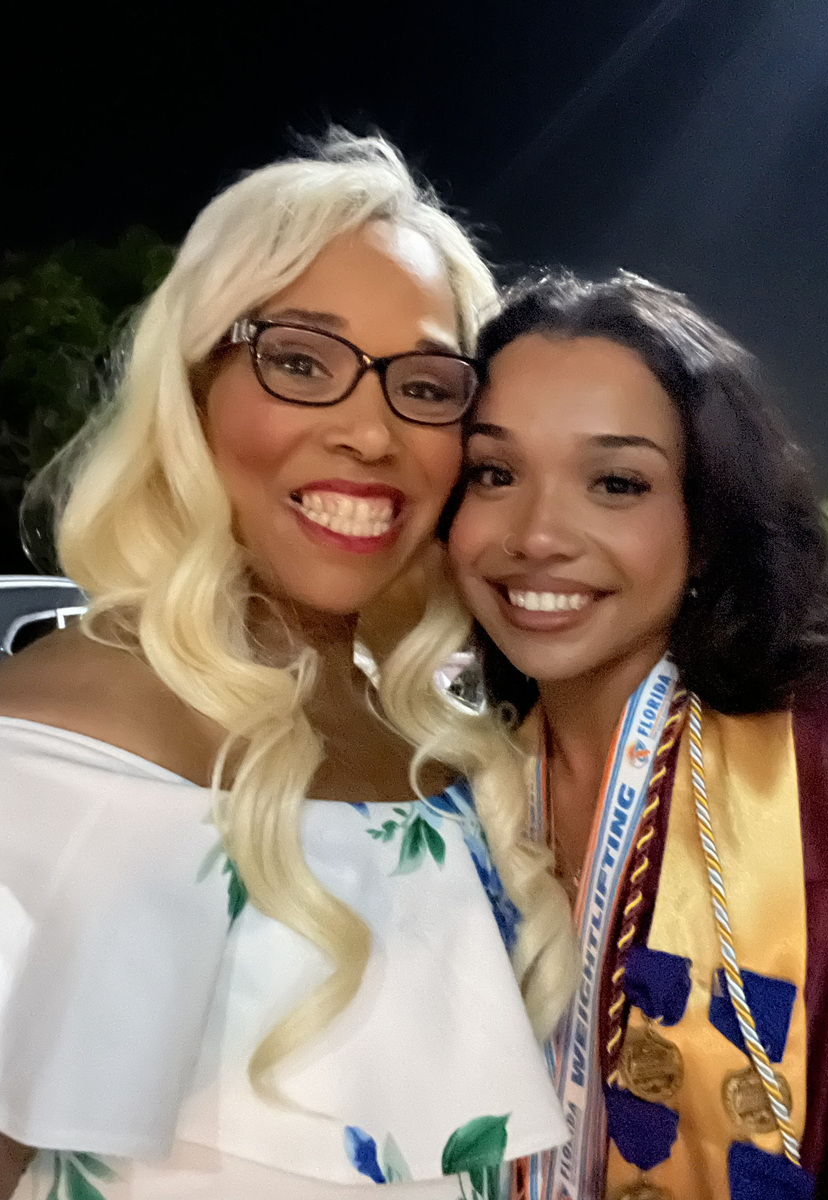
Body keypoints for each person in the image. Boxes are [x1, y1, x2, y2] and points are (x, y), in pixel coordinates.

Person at [0, 135, 576, 1200]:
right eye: (302, 361)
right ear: (191, 391)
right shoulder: (49, 761)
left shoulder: (452, 759)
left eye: (425, 385)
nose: (371, 432)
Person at [446, 271, 828, 1200]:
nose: (538, 536)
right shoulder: (442, 784)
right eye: (494, 473)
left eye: (616, 483)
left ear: (707, 521)